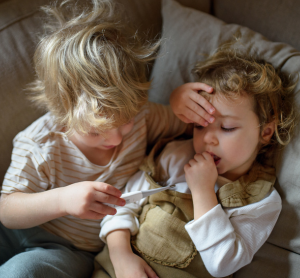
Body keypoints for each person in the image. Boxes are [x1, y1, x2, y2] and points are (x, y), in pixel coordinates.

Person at [0, 0, 216, 278]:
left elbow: (192, 127)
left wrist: (178, 101)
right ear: (62, 114)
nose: (115, 139)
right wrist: (62, 200)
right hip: (16, 230)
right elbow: (7, 210)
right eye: (94, 131)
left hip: (68, 250)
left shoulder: (144, 117)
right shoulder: (40, 143)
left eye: (125, 121)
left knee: (22, 273)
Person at [97, 45, 298, 278]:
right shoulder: (175, 156)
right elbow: (120, 204)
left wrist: (203, 191)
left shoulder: (260, 200)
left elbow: (222, 264)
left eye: (227, 127)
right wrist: (121, 255)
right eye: (200, 125)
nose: (208, 138)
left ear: (265, 132)